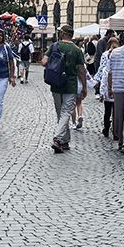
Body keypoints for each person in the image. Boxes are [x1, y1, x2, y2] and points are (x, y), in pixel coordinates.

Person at [47, 24, 88, 153]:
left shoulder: (54, 47)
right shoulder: (77, 50)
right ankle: (58, 139)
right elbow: (82, 70)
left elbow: (43, 61)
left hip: (55, 83)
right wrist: (84, 87)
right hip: (70, 84)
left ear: (62, 34)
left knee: (60, 112)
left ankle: (65, 140)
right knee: (66, 112)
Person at [94, 35, 119, 138]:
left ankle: (106, 128)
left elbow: (101, 69)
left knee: (107, 110)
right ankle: (116, 131)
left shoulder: (105, 54)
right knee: (116, 111)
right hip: (118, 84)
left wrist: (97, 82)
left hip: (107, 83)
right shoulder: (119, 54)